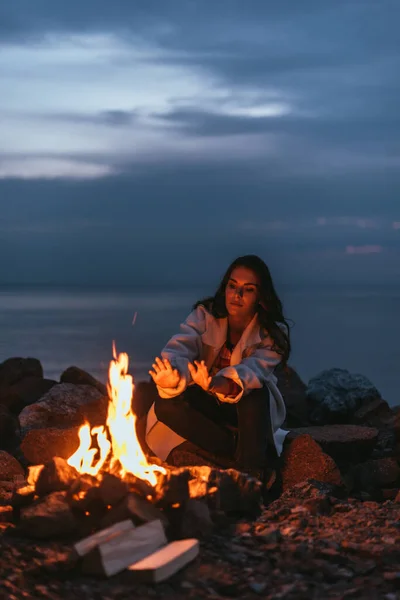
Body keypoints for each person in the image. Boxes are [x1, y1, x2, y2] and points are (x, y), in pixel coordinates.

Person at [142, 254, 292, 490]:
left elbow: (252, 371)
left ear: (261, 297)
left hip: (248, 415)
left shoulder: (271, 334)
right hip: (210, 409)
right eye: (232, 286)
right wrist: (173, 377)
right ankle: (235, 450)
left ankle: (250, 474)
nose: (237, 295)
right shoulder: (206, 315)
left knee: (254, 392)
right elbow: (181, 347)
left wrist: (215, 383)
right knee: (165, 404)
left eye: (248, 289)